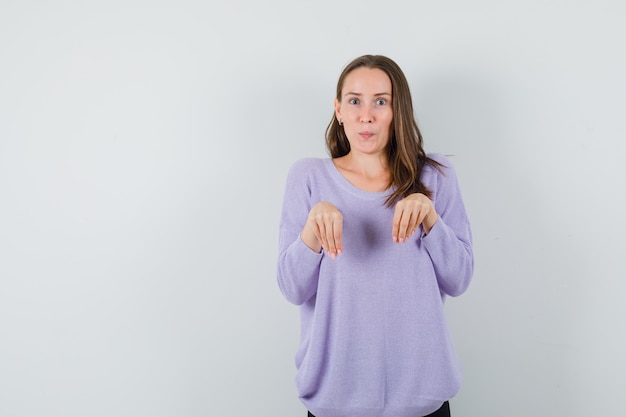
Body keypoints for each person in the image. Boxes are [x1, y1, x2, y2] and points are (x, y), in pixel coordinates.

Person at [276, 55, 474, 417]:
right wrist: (312, 231)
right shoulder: (307, 177)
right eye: (354, 101)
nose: (366, 115)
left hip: (423, 399)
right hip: (334, 400)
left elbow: (459, 279)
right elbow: (292, 289)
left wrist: (430, 219)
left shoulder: (436, 176)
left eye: (380, 101)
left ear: (397, 110)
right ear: (338, 110)